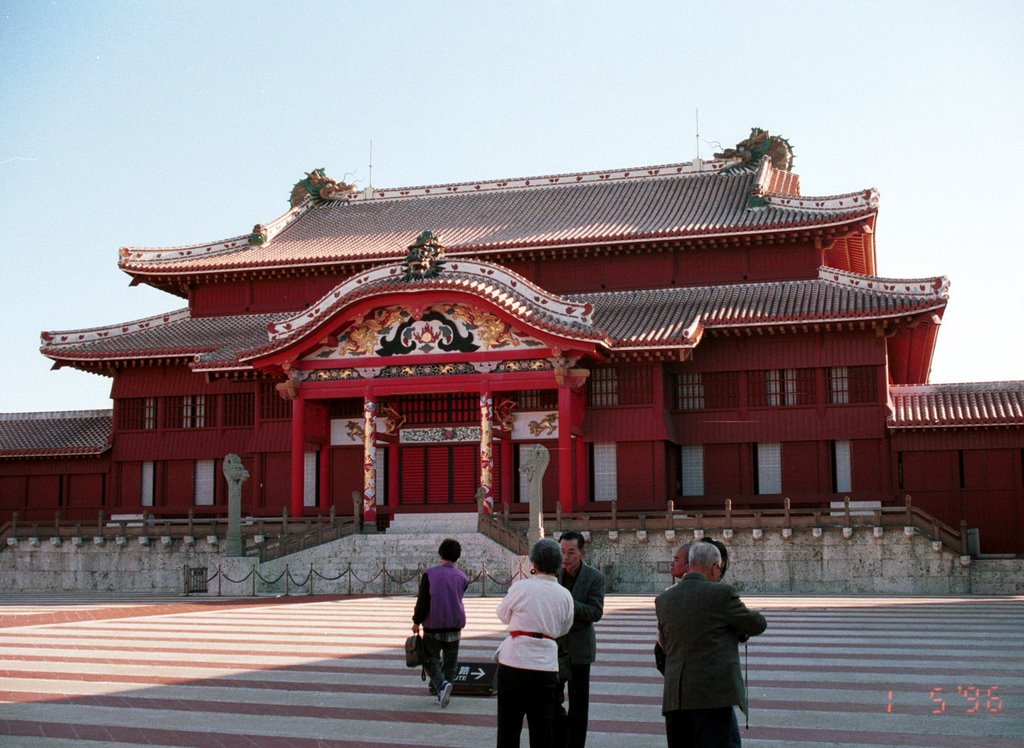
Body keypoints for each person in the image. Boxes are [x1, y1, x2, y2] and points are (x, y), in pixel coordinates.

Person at [655, 541, 767, 748]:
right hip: (712, 697)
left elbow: (664, 645)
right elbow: (757, 624)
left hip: (675, 697)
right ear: (715, 567)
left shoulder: (663, 599)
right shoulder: (721, 594)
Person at [495, 537, 575, 748]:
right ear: (558, 564)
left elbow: (503, 615)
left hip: (514, 660)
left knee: (508, 726)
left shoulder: (520, 587)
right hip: (545, 664)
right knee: (542, 728)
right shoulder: (565, 595)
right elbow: (564, 628)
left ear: (534, 564)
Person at [553, 530, 605, 748]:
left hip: (579, 649)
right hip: (554, 648)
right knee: (552, 701)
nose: (566, 557)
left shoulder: (595, 578)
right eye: (562, 552)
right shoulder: (552, 575)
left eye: (571, 552)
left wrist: (568, 603)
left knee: (579, 704)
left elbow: (596, 612)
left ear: (582, 553)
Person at [412, 538, 470, 708]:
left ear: (440, 553)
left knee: (430, 659)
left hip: (433, 624)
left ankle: (441, 685)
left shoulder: (430, 574)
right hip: (455, 623)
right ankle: (443, 693)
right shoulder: (462, 577)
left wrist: (416, 621)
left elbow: (423, 601)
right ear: (457, 556)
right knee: (450, 663)